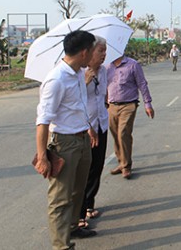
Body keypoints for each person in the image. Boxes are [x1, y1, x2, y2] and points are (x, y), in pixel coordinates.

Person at [34, 30, 98, 249]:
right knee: (60, 199)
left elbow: (78, 105)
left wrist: (89, 128)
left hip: (82, 139)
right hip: (65, 144)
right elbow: (42, 122)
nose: (93, 56)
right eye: (92, 51)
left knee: (77, 190)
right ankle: (62, 245)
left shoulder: (79, 73)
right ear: (83, 53)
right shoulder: (56, 80)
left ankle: (73, 227)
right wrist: (43, 157)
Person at [106, 55, 155, 179]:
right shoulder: (106, 66)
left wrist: (147, 103)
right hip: (111, 106)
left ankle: (126, 166)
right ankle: (121, 162)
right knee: (115, 134)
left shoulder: (133, 64)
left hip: (128, 105)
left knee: (123, 133)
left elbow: (142, 84)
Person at [78, 36, 108, 225]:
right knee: (83, 170)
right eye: (100, 51)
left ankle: (89, 203)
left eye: (105, 51)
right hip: (84, 127)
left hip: (101, 124)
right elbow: (74, 101)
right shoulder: (79, 73)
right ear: (89, 52)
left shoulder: (104, 71)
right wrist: (85, 82)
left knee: (97, 165)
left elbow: (102, 96)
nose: (104, 55)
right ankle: (79, 213)